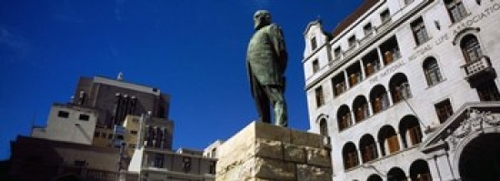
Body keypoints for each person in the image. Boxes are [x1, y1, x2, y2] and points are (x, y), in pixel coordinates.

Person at [246, 10, 288, 127]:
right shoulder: (254, 36)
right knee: (260, 101)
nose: (255, 19)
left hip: (269, 70)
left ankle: (280, 124)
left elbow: (281, 51)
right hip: (254, 71)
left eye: (258, 16)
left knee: (276, 98)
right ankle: (265, 126)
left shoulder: (272, 28)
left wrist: (279, 71)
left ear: (267, 17)